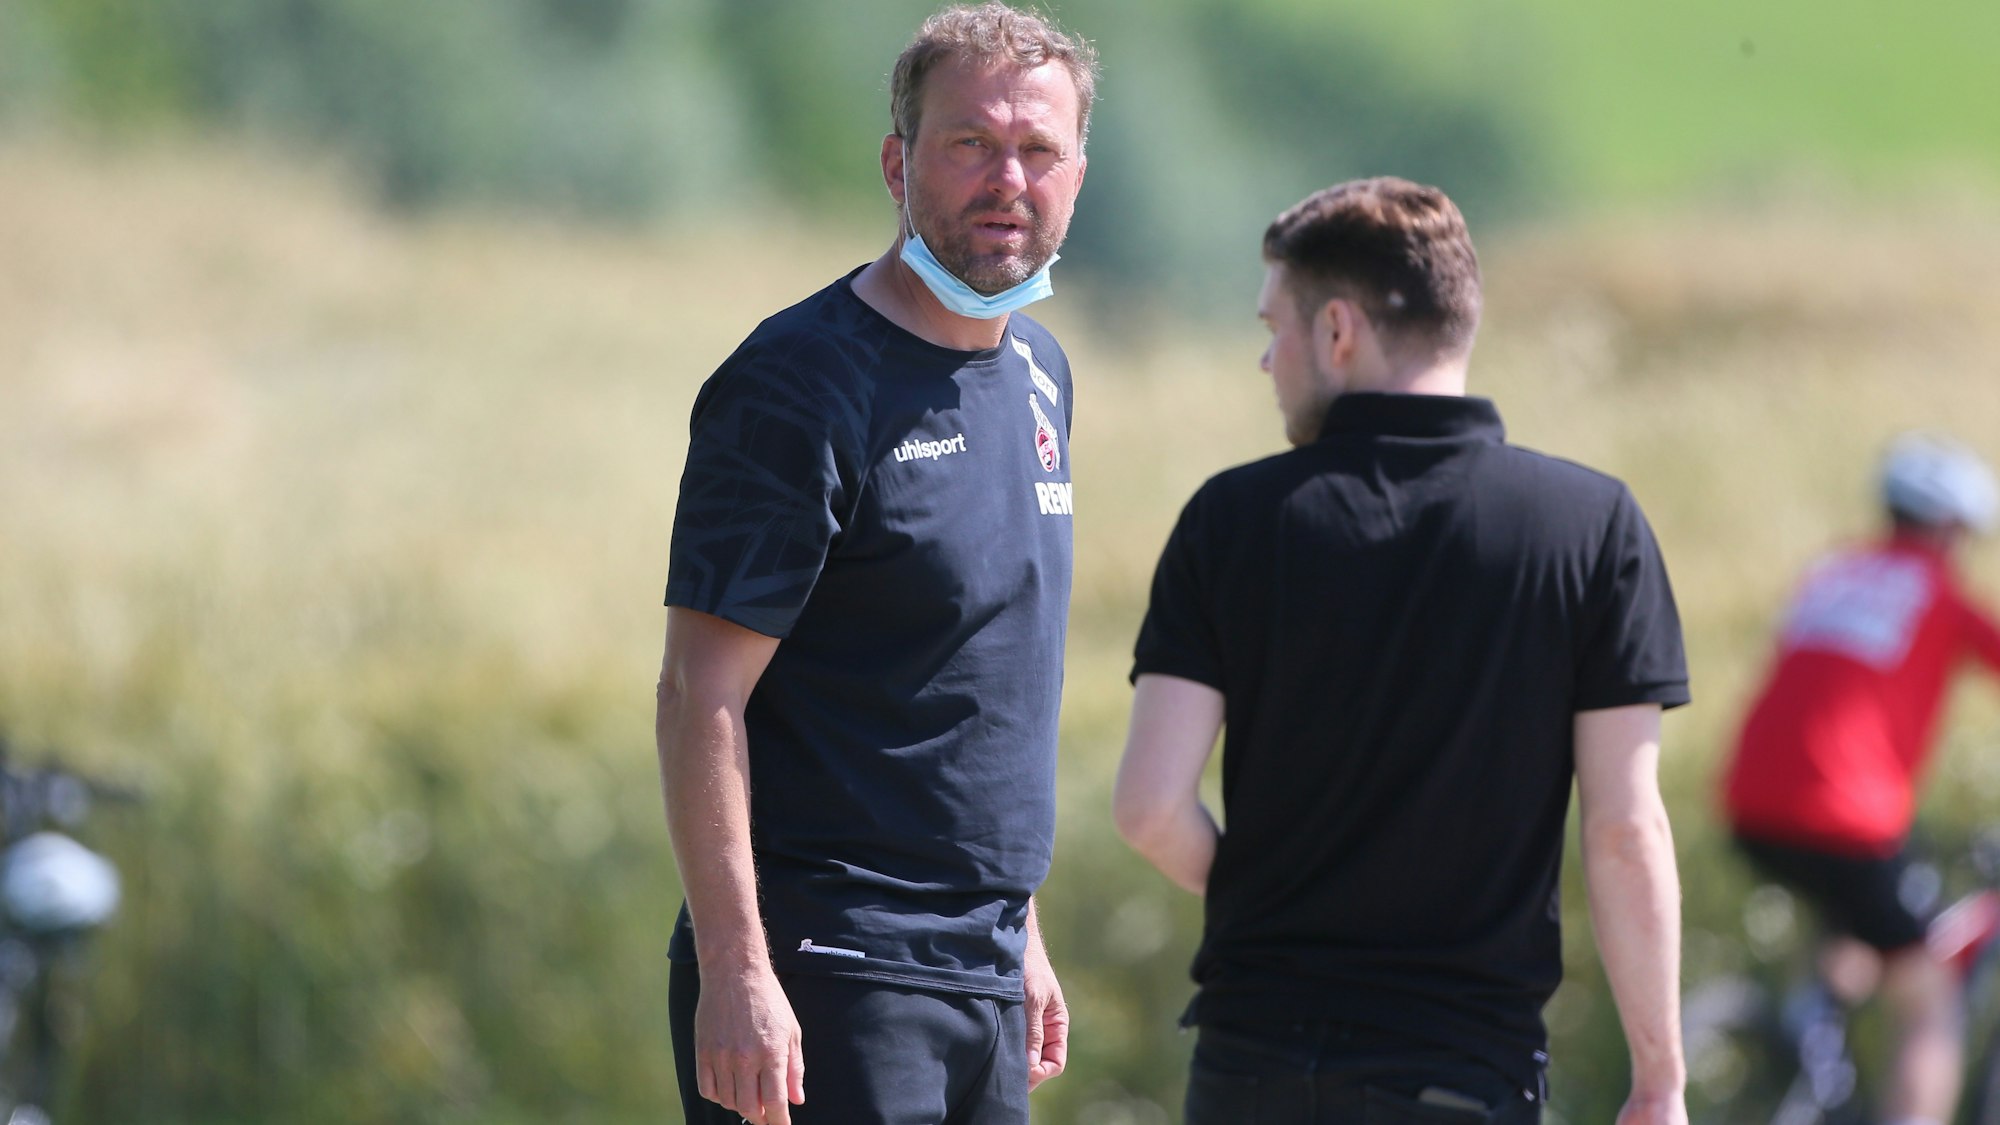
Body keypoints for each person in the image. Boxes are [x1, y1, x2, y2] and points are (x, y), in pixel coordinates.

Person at [1112, 177, 1692, 1124]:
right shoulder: (1591, 528)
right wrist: (1660, 1078)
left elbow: (1146, 807)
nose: (1267, 359)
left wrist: (1274, 889)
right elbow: (1626, 830)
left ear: (1339, 330)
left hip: (1251, 1067)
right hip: (1459, 1075)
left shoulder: (1230, 519)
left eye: (1276, 326)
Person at [652, 6, 1094, 1124]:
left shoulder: (1041, 375)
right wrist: (738, 970)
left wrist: (1022, 933)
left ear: (1076, 173)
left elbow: (978, 681)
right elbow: (699, 696)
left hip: (981, 974)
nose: (1007, 180)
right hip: (828, 970)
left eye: (1037, 150)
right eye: (969, 144)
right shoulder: (798, 384)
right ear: (898, 163)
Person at [1719, 434, 2000, 1125]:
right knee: (1928, 999)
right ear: (1948, 527)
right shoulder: (1938, 588)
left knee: (1861, 924)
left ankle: (1811, 1034)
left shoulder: (1835, 572)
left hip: (1749, 800)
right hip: (1843, 812)